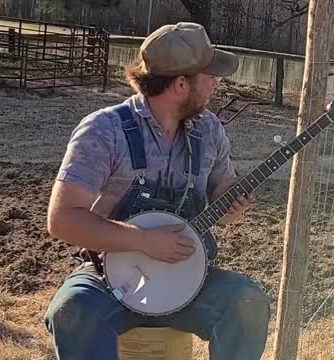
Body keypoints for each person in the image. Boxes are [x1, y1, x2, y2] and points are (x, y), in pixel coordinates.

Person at [44, 22, 271, 360]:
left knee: (249, 303)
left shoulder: (209, 130)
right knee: (72, 310)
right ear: (181, 85)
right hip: (109, 279)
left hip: (191, 281)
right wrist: (144, 241)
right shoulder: (104, 131)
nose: (217, 83)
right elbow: (62, 221)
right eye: (209, 76)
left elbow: (222, 195)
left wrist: (232, 200)